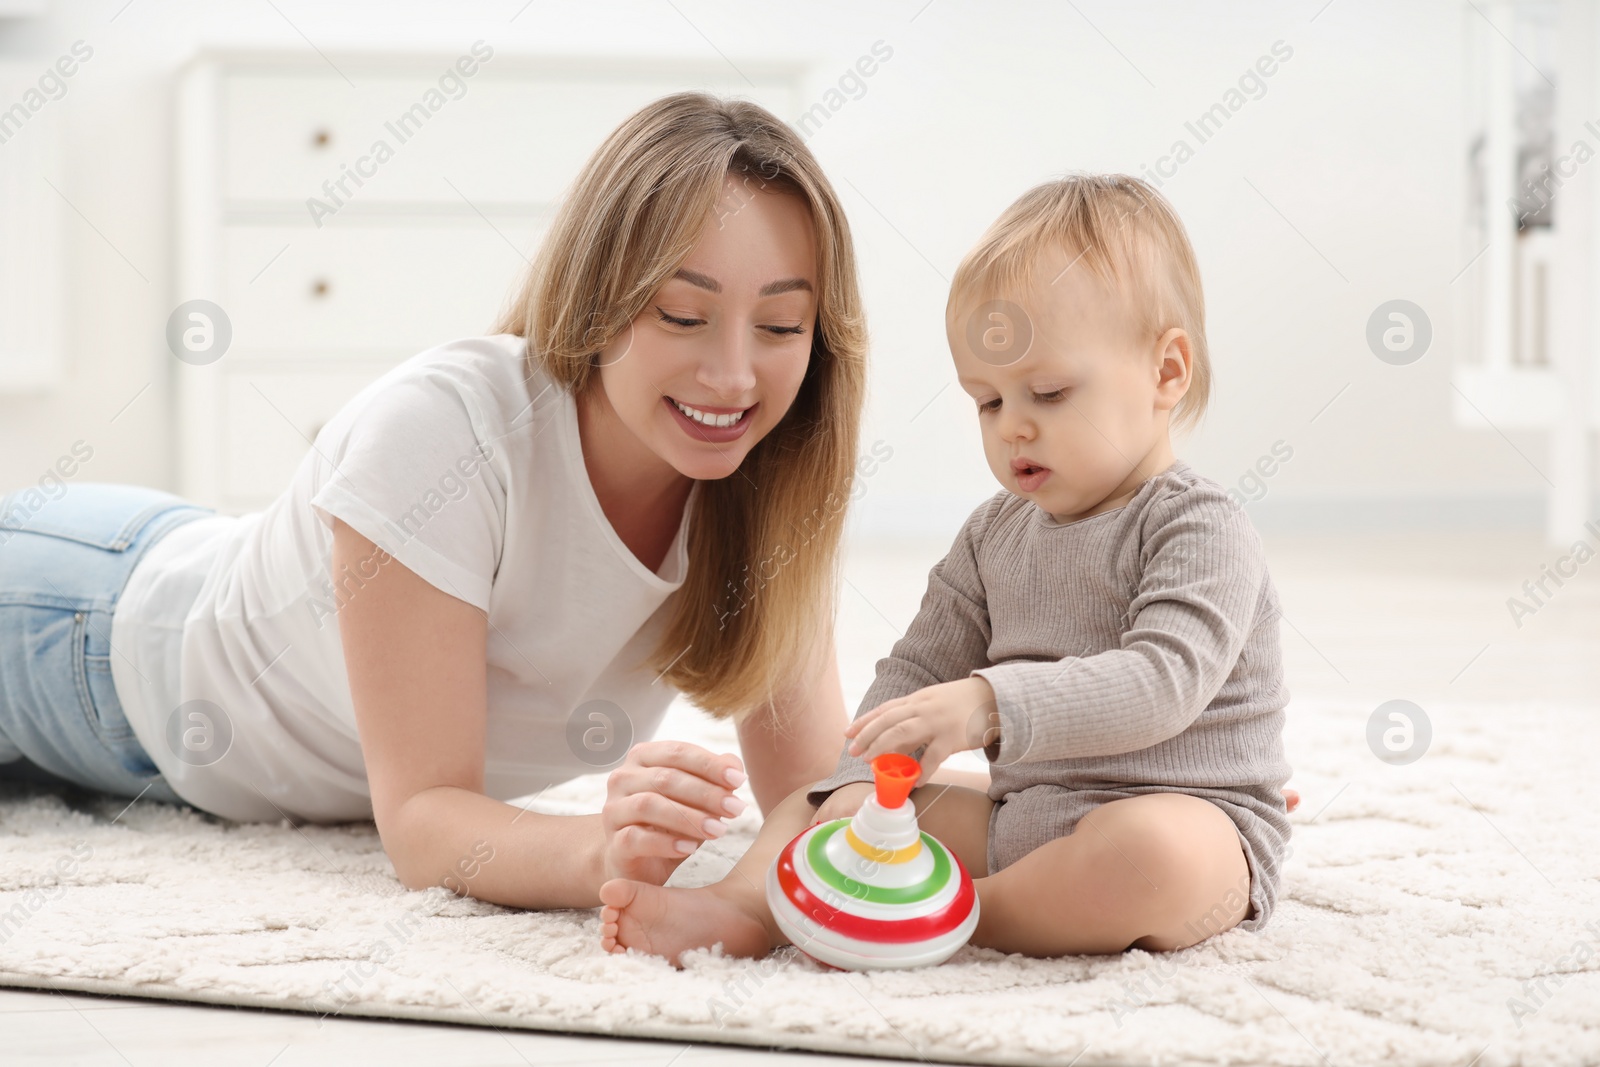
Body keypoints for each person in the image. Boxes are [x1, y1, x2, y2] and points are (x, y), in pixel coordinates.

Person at [0, 92, 982, 911]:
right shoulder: (445, 433)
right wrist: (596, 849)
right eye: (681, 314)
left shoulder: (767, 488)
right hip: (80, 632)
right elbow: (427, 819)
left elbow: (814, 794)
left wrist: (1042, 809)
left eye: (779, 324)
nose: (733, 374)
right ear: (599, 299)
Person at [597, 173, 1295, 963]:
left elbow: (1164, 679)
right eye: (988, 402)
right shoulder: (993, 535)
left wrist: (987, 705)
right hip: (1022, 816)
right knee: (815, 800)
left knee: (1144, 857)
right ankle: (745, 908)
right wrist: (867, 779)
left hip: (1189, 819)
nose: (1015, 427)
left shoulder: (1198, 524)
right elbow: (921, 665)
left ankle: (950, 917)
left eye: (1049, 391)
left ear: (1168, 372)